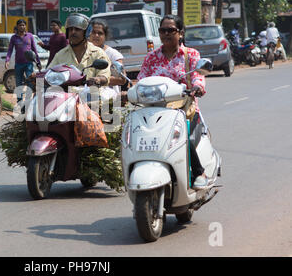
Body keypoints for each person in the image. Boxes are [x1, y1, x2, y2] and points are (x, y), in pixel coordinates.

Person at [137, 14, 208, 190]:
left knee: (184, 138)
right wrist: (128, 92)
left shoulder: (190, 55)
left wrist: (196, 88)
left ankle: (199, 172)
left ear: (181, 33)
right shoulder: (151, 57)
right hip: (154, 113)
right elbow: (141, 81)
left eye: (171, 30)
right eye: (163, 30)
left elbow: (198, 76)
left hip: (184, 112)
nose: (166, 34)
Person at [48, 13, 111, 87]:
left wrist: (98, 79)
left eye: (77, 29)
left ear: (86, 32)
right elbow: (49, 73)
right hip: (66, 97)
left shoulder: (98, 53)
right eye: (70, 29)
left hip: (91, 96)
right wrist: (37, 76)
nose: (73, 32)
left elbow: (105, 76)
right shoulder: (60, 55)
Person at [88, 18, 130, 90]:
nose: (96, 35)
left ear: (105, 36)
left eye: (100, 33)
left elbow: (122, 79)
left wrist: (100, 80)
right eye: (93, 32)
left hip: (108, 97)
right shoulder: (83, 52)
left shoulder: (113, 54)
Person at [5, 19, 40, 101]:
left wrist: (38, 62)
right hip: (18, 64)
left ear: (25, 26)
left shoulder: (30, 36)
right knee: (18, 83)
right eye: (20, 25)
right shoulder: (14, 38)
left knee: (30, 82)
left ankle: (29, 100)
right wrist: (7, 60)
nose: (22, 26)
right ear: (17, 26)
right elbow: (10, 50)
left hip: (29, 63)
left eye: (23, 25)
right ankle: (20, 101)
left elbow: (34, 49)